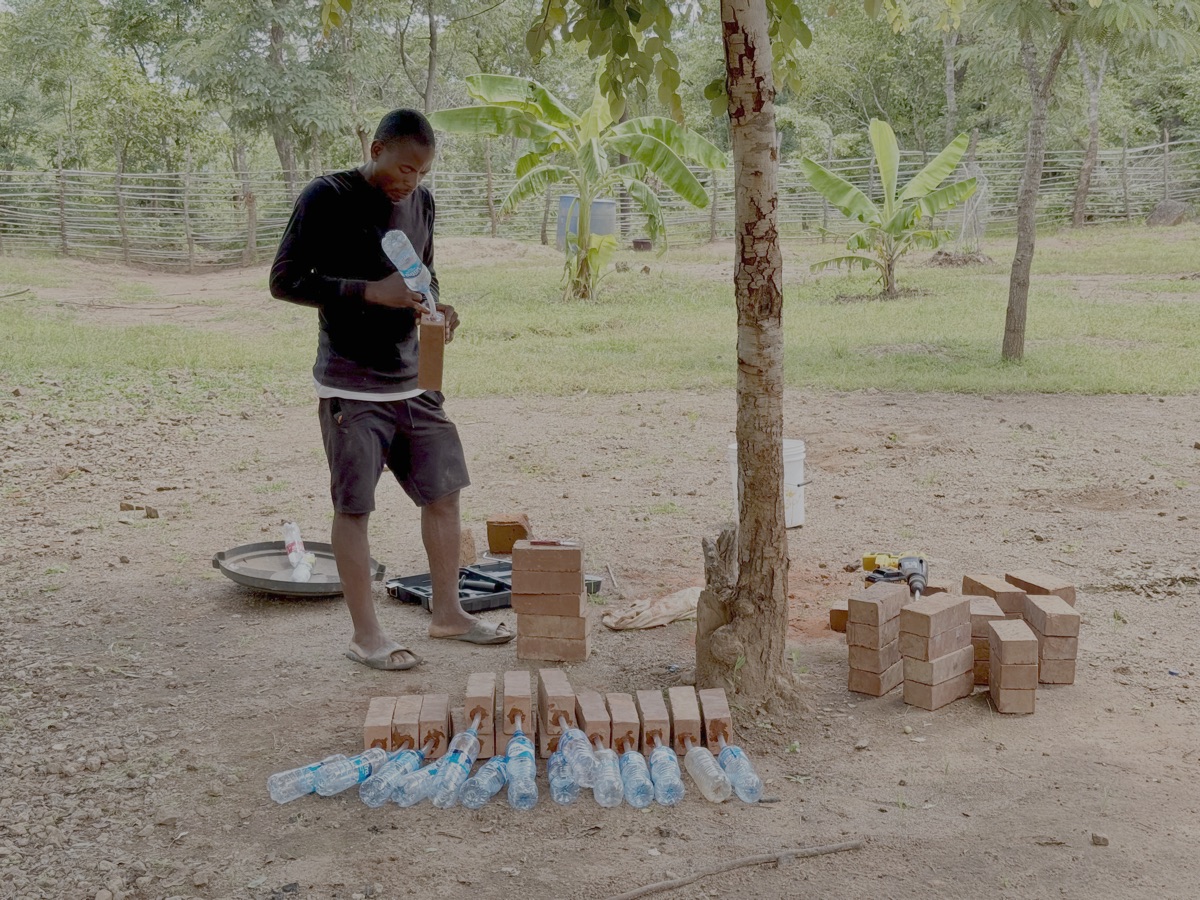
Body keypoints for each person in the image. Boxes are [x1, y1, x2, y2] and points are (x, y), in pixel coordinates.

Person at [270, 108, 513, 670]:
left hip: (415, 380)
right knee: (354, 508)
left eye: (422, 173)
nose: (412, 182)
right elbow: (285, 281)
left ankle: (448, 615)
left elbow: (422, 272)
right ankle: (366, 635)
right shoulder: (325, 197)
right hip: (351, 385)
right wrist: (367, 292)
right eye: (405, 168)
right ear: (376, 148)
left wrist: (437, 307)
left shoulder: (421, 203)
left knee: (445, 492)